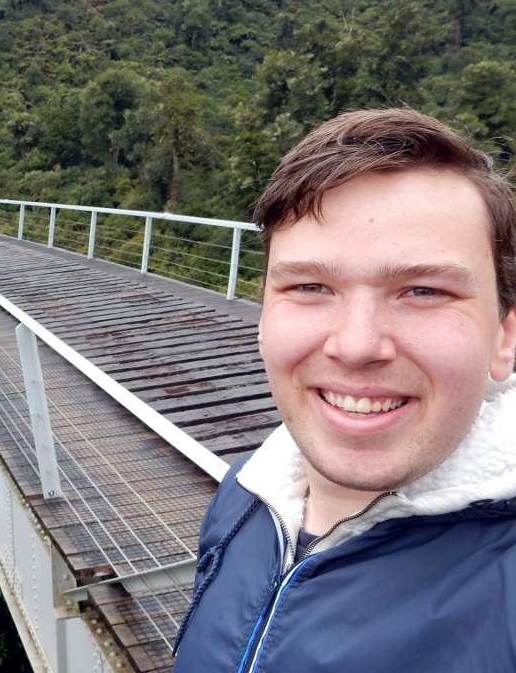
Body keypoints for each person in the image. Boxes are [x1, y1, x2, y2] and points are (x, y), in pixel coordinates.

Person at [172, 108, 516, 672]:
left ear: (504, 336)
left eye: (424, 291)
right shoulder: (245, 494)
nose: (356, 346)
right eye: (309, 286)